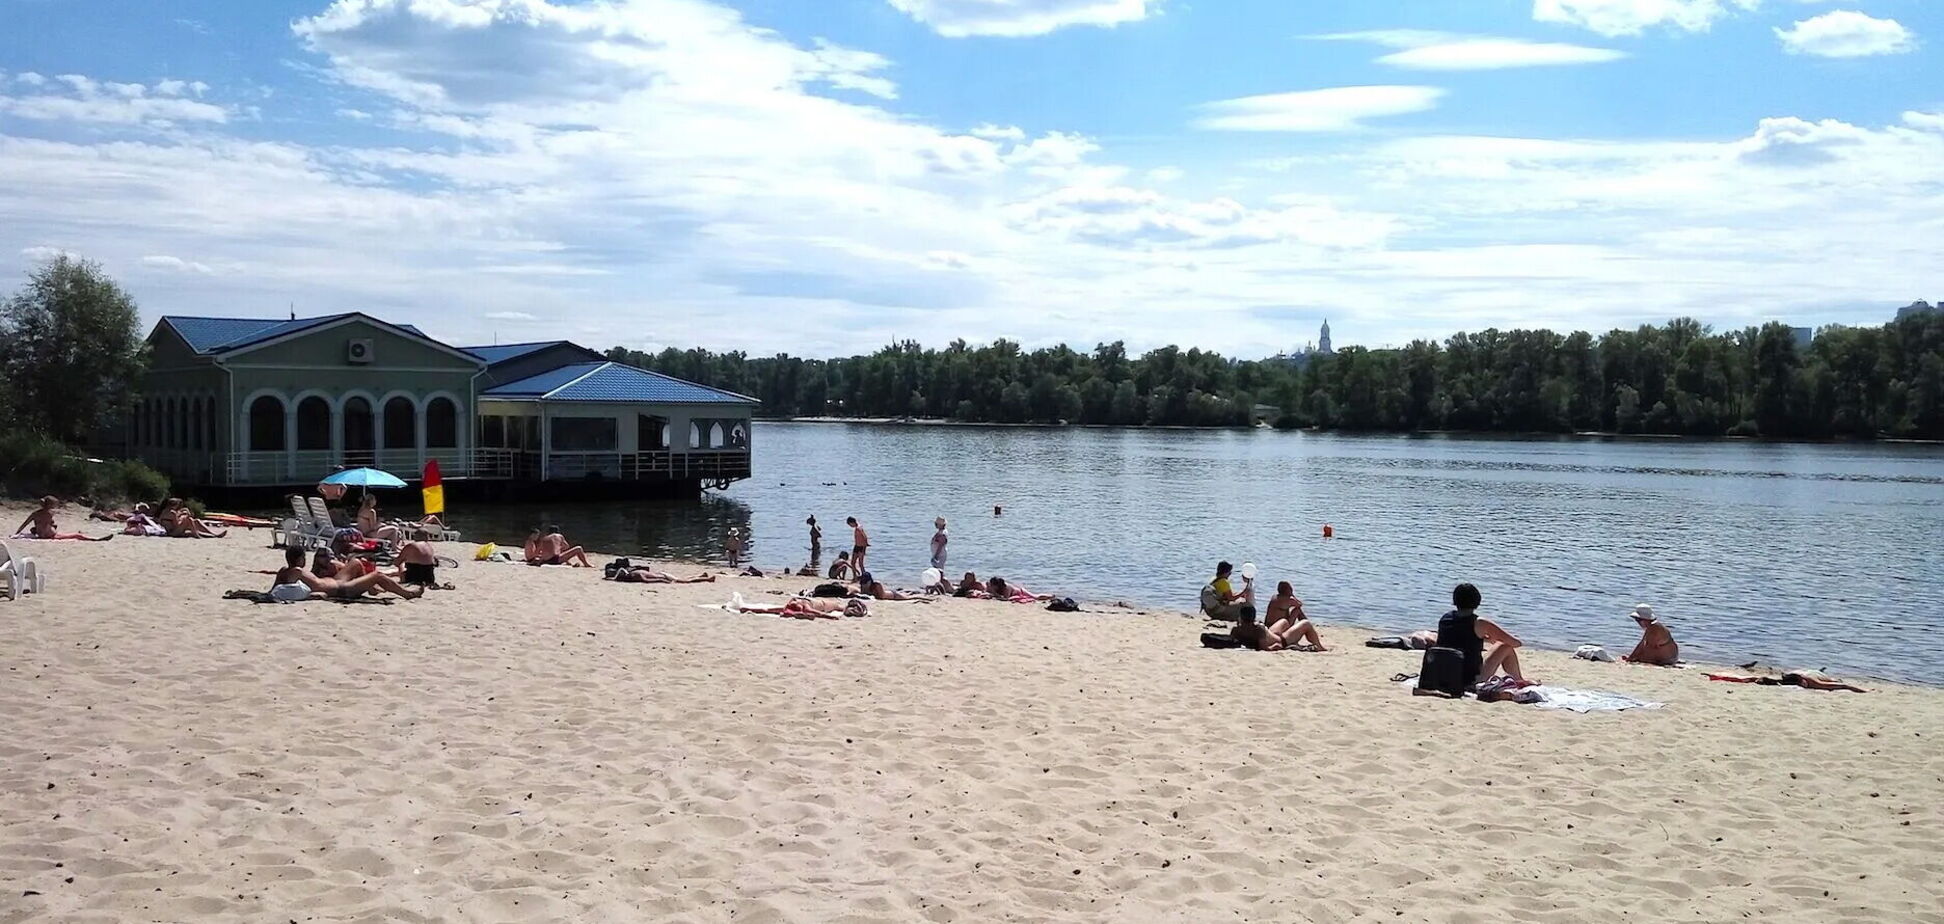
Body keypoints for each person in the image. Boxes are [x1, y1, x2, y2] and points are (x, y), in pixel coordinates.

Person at [1436, 583, 1526, 686]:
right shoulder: (1479, 622)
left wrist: (1485, 638)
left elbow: (1461, 638)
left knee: (1499, 644)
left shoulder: (1445, 618)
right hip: (1469, 679)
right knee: (1505, 646)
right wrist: (1495, 638)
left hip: (1443, 674)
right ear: (1477, 601)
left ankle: (1519, 680)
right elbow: (1516, 643)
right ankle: (1519, 680)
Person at [269, 546, 422, 601]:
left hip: (335, 581)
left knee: (355, 562)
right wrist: (312, 596)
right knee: (378, 575)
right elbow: (286, 591)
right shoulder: (295, 571)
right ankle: (407, 594)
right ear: (300, 558)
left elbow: (273, 591)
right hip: (341, 589)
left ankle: (371, 588)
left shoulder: (283, 571)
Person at [1262, 581, 1327, 651]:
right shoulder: (1289, 600)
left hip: (1271, 628)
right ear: (1289, 590)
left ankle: (1309, 630)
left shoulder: (1274, 598)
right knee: (1298, 611)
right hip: (1280, 633)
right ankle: (1315, 638)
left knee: (1293, 612)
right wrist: (1292, 595)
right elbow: (1299, 604)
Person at [15, 497, 113, 541]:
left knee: (75, 533)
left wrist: (17, 533)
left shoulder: (35, 513)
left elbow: (25, 524)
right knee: (77, 535)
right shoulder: (49, 514)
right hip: (48, 535)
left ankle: (93, 538)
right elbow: (48, 526)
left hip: (44, 534)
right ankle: (95, 539)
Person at [526, 525, 592, 567]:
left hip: (545, 560)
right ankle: (586, 564)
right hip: (555, 559)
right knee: (578, 548)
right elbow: (566, 546)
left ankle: (567, 561)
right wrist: (559, 547)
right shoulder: (559, 536)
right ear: (558, 532)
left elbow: (537, 552)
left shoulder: (544, 538)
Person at [858, 572, 931, 602]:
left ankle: (928, 599)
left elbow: (882, 597)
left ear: (870, 580)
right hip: (890, 593)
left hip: (893, 596)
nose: (865, 584)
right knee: (906, 593)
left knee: (909, 597)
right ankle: (911, 591)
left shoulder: (877, 584)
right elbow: (863, 593)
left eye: (866, 582)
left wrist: (871, 596)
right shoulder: (862, 584)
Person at [613, 564, 716, 584]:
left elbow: (647, 580)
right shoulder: (634, 572)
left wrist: (662, 580)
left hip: (662, 576)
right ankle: (702, 576)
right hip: (661, 574)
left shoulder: (635, 575)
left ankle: (707, 579)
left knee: (684, 581)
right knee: (682, 578)